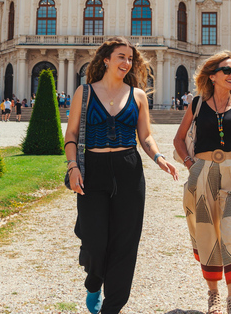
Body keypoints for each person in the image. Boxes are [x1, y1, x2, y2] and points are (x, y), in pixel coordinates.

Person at [64, 37, 178, 314]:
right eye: (121, 57)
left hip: (128, 169)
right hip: (93, 169)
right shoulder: (85, 92)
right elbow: (71, 133)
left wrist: (158, 157)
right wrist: (72, 166)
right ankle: (94, 280)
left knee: (126, 242)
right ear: (106, 59)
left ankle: (112, 307)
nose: (126, 63)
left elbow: (145, 136)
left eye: (130, 58)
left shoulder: (138, 95)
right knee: (93, 239)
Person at [173, 50, 231, 314]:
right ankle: (213, 296)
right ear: (213, 76)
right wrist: (191, 165)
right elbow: (179, 140)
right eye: (227, 70)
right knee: (207, 236)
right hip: (203, 174)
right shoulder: (197, 104)